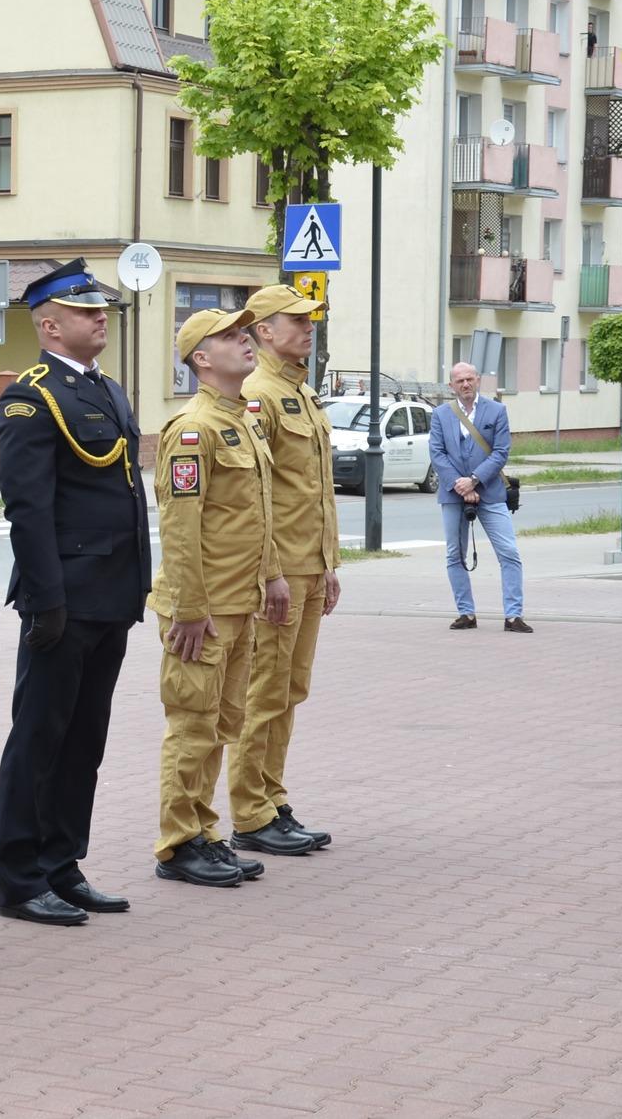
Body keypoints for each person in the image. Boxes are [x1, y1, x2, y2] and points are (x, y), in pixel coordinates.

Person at [0, 259, 148, 926]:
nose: (100, 316)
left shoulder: (107, 389)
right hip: (65, 598)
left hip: (111, 592)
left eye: (100, 308)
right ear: (50, 326)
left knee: (85, 739)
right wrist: (46, 600)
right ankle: (21, 877)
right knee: (40, 737)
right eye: (86, 311)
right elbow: (27, 507)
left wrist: (137, 585)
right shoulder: (32, 397)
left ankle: (62, 863)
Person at [146, 308, 286, 889]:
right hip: (201, 612)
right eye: (229, 336)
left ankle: (204, 833)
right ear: (201, 359)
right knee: (192, 725)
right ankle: (178, 844)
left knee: (223, 723)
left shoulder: (244, 420)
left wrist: (273, 576)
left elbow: (257, 512)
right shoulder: (192, 429)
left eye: (244, 332)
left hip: (238, 602)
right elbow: (180, 527)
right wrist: (188, 609)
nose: (244, 340)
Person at [232, 284, 338, 857]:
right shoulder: (258, 394)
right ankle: (251, 812)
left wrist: (329, 564)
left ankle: (272, 798)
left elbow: (315, 491)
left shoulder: (302, 391)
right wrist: (270, 570)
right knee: (265, 690)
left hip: (308, 566)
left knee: (290, 689)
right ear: (264, 330)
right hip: (279, 572)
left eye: (310, 319)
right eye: (296, 320)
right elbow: (256, 494)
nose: (307, 328)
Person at [430, 361, 531, 632]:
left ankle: (513, 616)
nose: (465, 384)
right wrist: (460, 484)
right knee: (455, 554)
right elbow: (437, 453)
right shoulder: (440, 414)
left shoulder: (496, 410)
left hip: (490, 492)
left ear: (477, 380)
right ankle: (466, 613)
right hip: (453, 494)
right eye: (459, 380)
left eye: (470, 379)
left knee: (509, 552)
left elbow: (501, 452)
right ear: (451, 385)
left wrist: (474, 480)